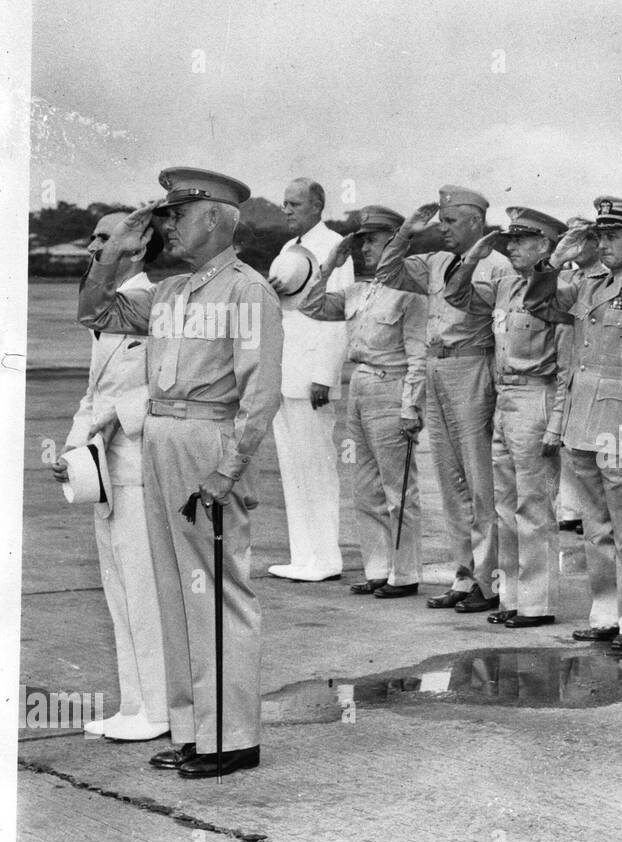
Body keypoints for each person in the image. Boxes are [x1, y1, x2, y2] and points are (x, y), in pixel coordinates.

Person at [78, 167, 283, 778]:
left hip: (209, 443)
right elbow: (94, 311)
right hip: (161, 437)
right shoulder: (170, 293)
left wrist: (227, 473)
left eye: (179, 215)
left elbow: (261, 393)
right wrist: (119, 249)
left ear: (218, 219)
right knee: (174, 591)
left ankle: (233, 737)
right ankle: (196, 729)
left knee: (217, 591)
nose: (168, 226)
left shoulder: (247, 292)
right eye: (163, 216)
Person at [527, 198, 622, 653]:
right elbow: (539, 304)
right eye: (601, 235)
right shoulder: (590, 284)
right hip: (584, 420)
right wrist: (553, 261)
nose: (604, 244)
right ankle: (605, 611)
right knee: (596, 527)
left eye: (614, 236)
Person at [52, 211, 169, 741]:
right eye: (94, 237)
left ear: (138, 247)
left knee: (146, 593)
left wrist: (117, 417)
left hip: (142, 465)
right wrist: (75, 448)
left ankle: (162, 711)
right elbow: (92, 391)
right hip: (103, 469)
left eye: (105, 237)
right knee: (119, 592)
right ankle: (133, 704)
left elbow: (173, 384)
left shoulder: (160, 302)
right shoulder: (112, 311)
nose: (93, 246)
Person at [374, 185, 512, 610]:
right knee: (451, 483)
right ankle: (464, 574)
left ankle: (490, 582)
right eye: (441, 221)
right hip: (436, 368)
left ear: (475, 221)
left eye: (451, 221)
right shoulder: (435, 261)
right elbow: (387, 273)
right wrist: (405, 233)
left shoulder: (498, 266)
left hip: (472, 367)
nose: (443, 228)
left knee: (478, 479)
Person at [445, 206, 572, 628]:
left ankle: (537, 603)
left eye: (520, 240)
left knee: (534, 507)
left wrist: (557, 420)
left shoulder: (558, 290)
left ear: (545, 246)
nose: (511, 247)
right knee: (505, 506)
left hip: (537, 396)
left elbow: (567, 361)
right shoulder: (505, 285)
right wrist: (474, 257)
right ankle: (513, 599)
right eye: (509, 241)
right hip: (504, 399)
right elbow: (456, 296)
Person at [297, 206, 428, 597]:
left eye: (372, 240)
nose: (364, 248)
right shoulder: (357, 291)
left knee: (398, 488)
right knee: (365, 486)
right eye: (361, 241)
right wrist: (330, 264)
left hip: (393, 386)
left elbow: (418, 356)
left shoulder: (410, 294)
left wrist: (411, 407)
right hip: (361, 387)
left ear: (394, 241)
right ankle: (377, 568)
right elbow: (311, 306)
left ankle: (404, 574)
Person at [267, 177, 352, 583]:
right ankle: (303, 557)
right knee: (294, 467)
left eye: (295, 204)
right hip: (285, 370)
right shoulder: (288, 249)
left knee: (317, 468)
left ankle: (326, 558)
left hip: (311, 375)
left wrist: (325, 376)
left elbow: (338, 316)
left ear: (317, 206)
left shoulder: (333, 248)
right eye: (284, 203)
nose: (287, 210)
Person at [555, 215, 604, 535]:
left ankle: (595, 512)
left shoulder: (602, 276)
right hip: (564, 361)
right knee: (567, 442)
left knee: (593, 442)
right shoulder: (568, 276)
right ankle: (572, 508)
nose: (575, 245)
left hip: (591, 364)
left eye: (581, 238)